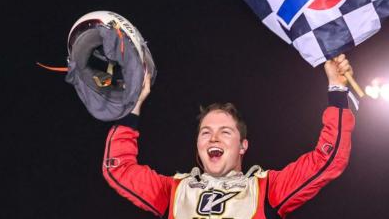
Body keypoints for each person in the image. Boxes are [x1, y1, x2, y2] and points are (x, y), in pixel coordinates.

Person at [102, 54, 358, 218]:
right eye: (206, 132)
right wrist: (133, 104)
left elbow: (327, 159)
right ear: (197, 144)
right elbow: (119, 169)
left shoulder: (265, 189)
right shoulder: (173, 191)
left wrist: (337, 88)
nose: (213, 139)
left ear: (242, 146)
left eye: (225, 132)